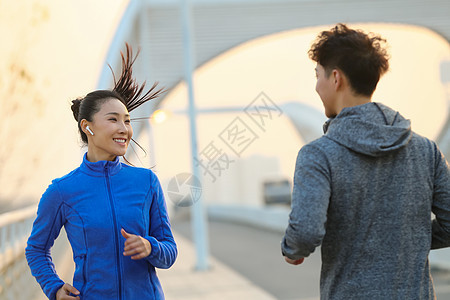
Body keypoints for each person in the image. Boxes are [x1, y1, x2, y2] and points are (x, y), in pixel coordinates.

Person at [281, 23, 450, 299]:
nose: (317, 86)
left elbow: (305, 232)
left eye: (318, 75)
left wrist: (291, 250)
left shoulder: (318, 155)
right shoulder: (426, 150)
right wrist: (404, 240)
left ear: (335, 78)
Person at [26, 44, 177, 300]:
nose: (124, 129)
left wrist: (150, 246)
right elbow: (36, 249)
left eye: (127, 120)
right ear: (88, 127)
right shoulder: (62, 191)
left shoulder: (146, 182)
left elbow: (169, 251)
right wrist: (54, 287)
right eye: (113, 119)